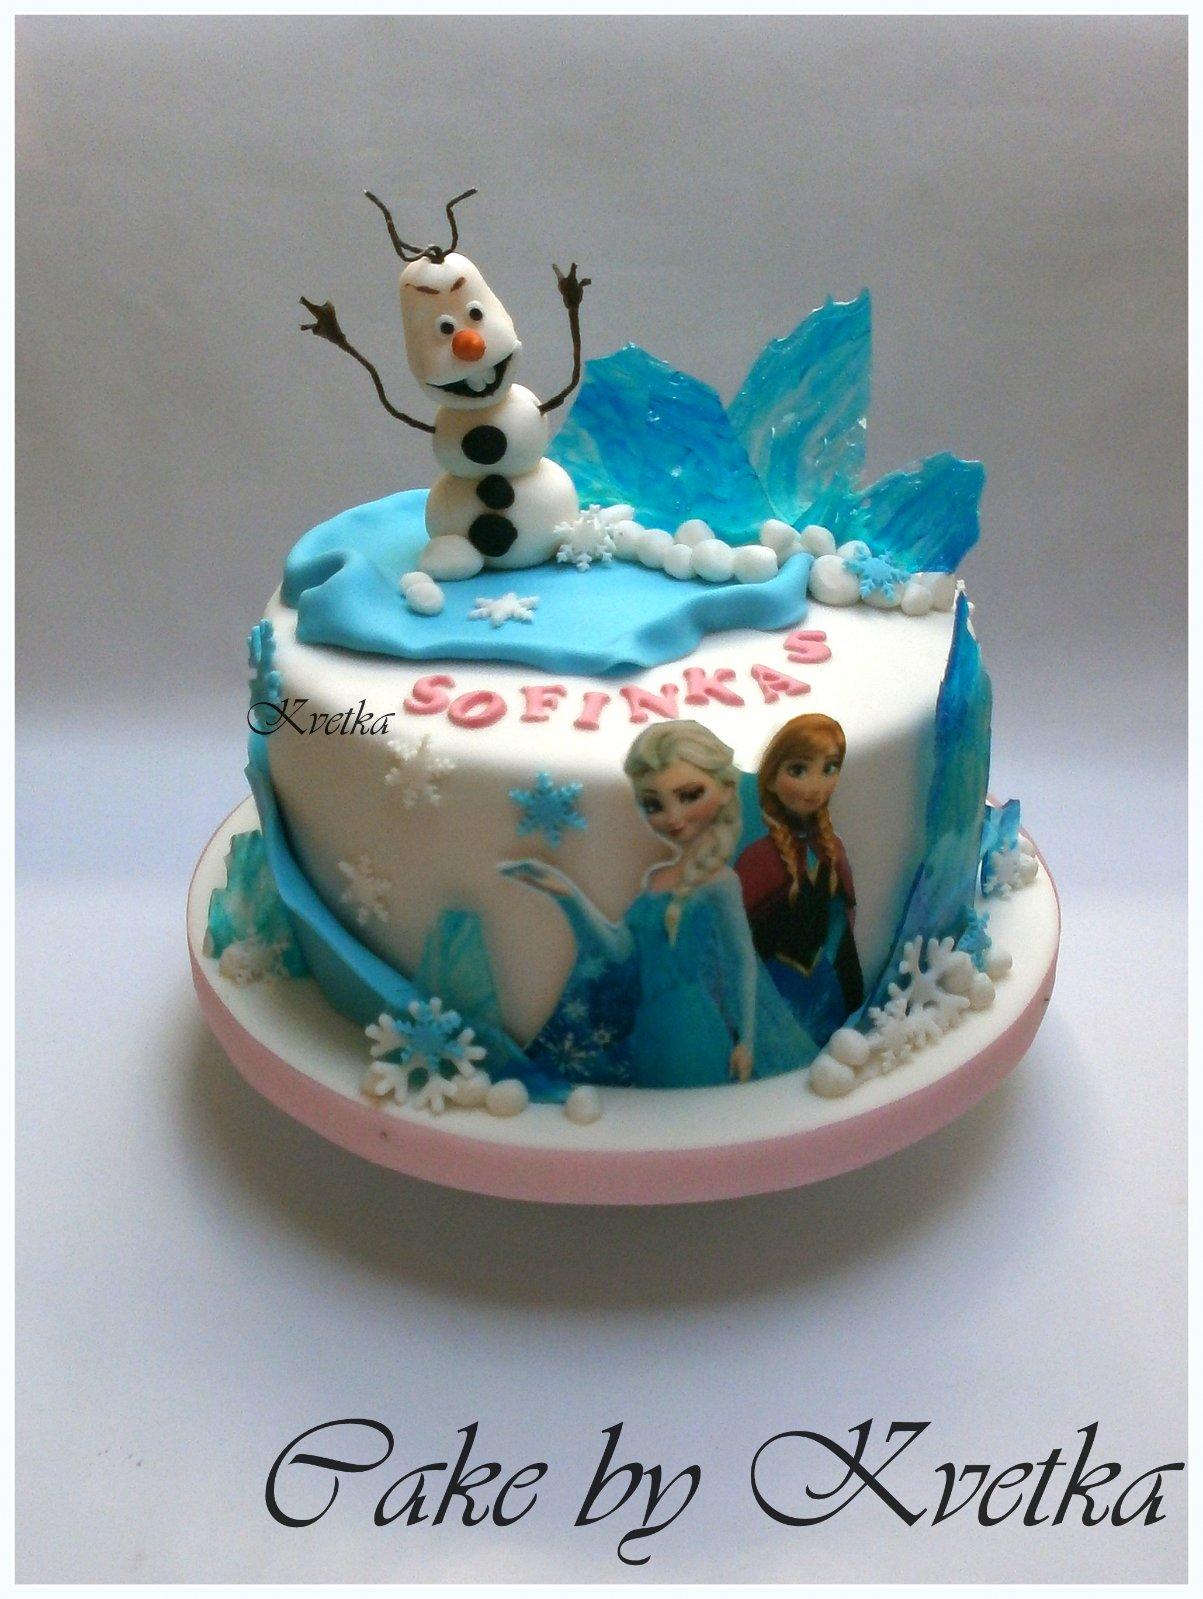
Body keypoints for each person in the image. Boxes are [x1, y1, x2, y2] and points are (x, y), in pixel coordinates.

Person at [500, 721, 816, 1088]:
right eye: (653, 804)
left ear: (726, 790)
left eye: (690, 795)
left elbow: (741, 962)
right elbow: (619, 953)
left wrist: (746, 1041)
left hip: (691, 1026)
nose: (673, 817)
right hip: (648, 1029)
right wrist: (567, 893)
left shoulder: (720, 882)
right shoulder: (655, 879)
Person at [735, 713, 864, 1046]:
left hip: (825, 992)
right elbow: (736, 947)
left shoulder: (832, 851)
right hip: (773, 1001)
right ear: (770, 778)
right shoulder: (757, 861)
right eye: (798, 770)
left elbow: (842, 935)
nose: (815, 785)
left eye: (829, 768)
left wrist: (856, 1001)